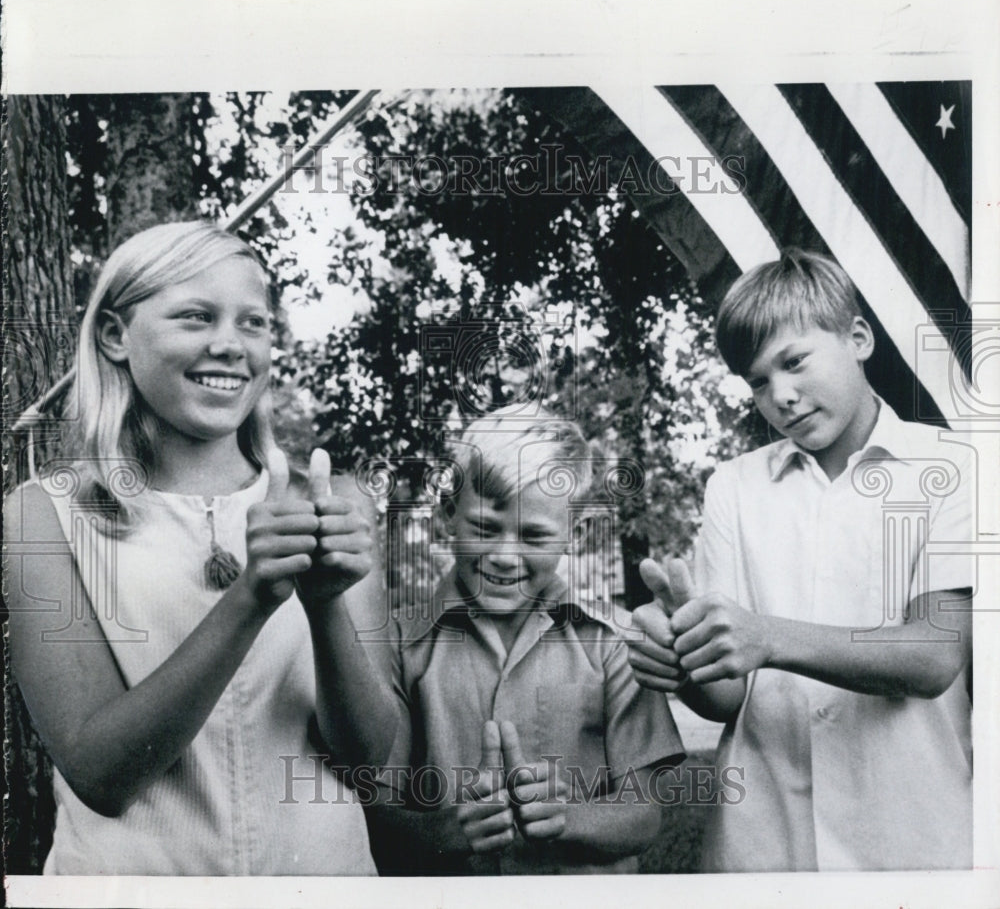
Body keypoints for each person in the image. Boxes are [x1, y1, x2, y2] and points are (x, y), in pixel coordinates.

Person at [4, 222, 393, 875]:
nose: (230, 346)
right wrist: (250, 598)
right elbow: (100, 773)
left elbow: (370, 762)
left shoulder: (334, 502)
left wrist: (325, 606)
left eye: (254, 323)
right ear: (114, 336)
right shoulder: (40, 516)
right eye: (195, 316)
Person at [625, 249, 973, 872]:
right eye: (758, 381)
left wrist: (764, 636)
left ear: (858, 338)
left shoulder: (953, 468)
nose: (780, 396)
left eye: (794, 362)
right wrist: (686, 663)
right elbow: (728, 697)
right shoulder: (732, 486)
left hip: (914, 840)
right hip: (762, 847)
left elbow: (933, 656)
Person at [365, 409, 685, 875]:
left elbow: (645, 813)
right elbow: (375, 812)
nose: (503, 556)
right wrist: (443, 832)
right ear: (449, 515)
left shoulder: (614, 645)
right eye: (483, 528)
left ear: (572, 535)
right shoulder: (396, 644)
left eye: (533, 535)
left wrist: (569, 817)